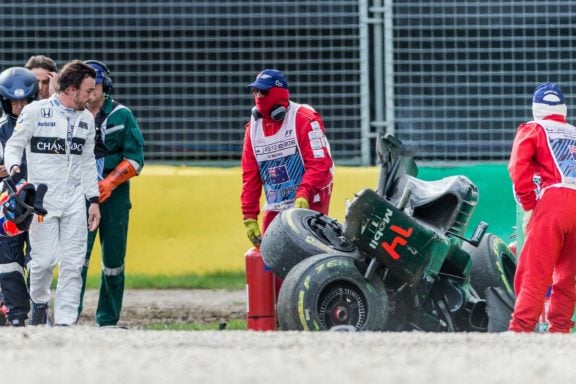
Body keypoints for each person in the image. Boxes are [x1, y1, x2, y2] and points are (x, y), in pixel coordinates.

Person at [4, 59, 101, 326]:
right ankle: (39, 303)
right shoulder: (36, 111)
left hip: (74, 199)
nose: (92, 96)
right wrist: (13, 168)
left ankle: (66, 322)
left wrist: (93, 200)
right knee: (43, 262)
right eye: (88, 90)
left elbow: (88, 161)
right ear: (70, 88)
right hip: (42, 201)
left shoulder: (86, 120)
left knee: (73, 263)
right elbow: (14, 145)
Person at [78, 60, 144, 326]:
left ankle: (107, 320)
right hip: (79, 196)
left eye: (97, 86)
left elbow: (136, 159)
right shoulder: (70, 114)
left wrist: (109, 183)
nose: (91, 92)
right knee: (77, 258)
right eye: (87, 87)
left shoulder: (122, 115)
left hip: (114, 198)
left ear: (106, 87)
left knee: (113, 261)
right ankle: (68, 316)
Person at [508, 82, 576, 333]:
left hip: (554, 201)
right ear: (564, 108)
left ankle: (520, 329)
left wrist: (529, 205)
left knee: (535, 270)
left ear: (536, 108)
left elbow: (518, 169)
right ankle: (560, 330)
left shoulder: (533, 128)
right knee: (568, 276)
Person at [241, 68, 334, 245]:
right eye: (255, 91)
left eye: (264, 91)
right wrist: (249, 216)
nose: (258, 96)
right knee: (270, 254)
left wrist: (304, 193)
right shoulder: (252, 129)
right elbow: (250, 177)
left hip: (310, 197)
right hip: (275, 203)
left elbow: (319, 164)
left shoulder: (305, 119)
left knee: (306, 250)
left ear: (278, 93)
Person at [0, 67, 38, 326]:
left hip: (39, 202)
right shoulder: (1, 128)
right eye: (14, 101)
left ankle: (40, 311)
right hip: (7, 203)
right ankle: (15, 315)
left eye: (24, 100)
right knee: (8, 261)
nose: (19, 105)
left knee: (38, 261)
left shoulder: (46, 124)